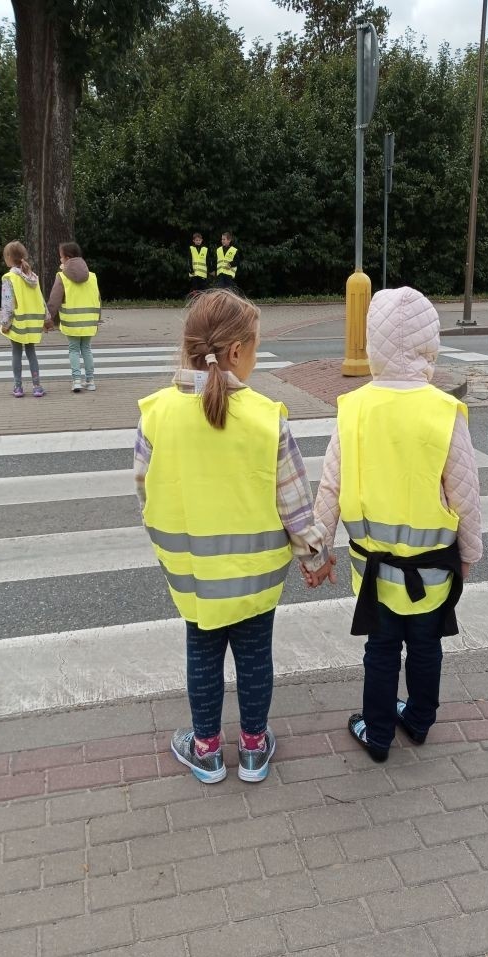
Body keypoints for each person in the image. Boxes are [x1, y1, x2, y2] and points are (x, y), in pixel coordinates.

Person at [133, 288, 332, 784]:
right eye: (257, 348)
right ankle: (252, 747)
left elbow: (145, 491)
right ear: (238, 352)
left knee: (201, 654)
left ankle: (205, 749)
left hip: (195, 575)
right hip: (256, 579)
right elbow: (295, 506)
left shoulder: (156, 413)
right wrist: (315, 559)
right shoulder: (266, 418)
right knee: (255, 658)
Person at [305, 286, 482, 761]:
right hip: (433, 572)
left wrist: (317, 553)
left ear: (370, 345)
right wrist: (469, 554)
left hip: (374, 575)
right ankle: (420, 721)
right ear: (431, 345)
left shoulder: (355, 409)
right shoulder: (445, 412)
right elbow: (465, 495)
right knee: (427, 649)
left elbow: (330, 490)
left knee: (381, 652)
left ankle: (378, 732)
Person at [47, 241, 101, 392]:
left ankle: (76, 380)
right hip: (89, 321)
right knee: (87, 349)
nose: (60, 260)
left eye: (61, 257)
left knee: (74, 349)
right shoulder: (92, 276)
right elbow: (98, 299)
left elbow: (54, 300)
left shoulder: (62, 276)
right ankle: (90, 381)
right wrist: (97, 319)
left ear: (68, 258)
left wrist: (48, 319)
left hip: (71, 322)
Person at [0, 241, 47, 398]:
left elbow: (8, 304)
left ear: (8, 257)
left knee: (16, 354)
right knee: (31, 352)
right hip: (33, 323)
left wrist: (5, 324)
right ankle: (37, 386)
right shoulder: (33, 277)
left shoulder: (9, 277)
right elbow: (41, 299)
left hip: (17, 323)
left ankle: (18, 387)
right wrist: (46, 318)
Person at [188, 232, 209, 296]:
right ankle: (195, 302)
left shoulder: (205, 249)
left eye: (199, 240)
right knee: (195, 289)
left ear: (201, 240)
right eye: (196, 240)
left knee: (203, 289)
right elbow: (189, 259)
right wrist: (190, 269)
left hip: (203, 273)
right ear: (193, 241)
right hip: (194, 273)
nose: (198, 241)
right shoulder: (191, 248)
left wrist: (209, 270)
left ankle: (203, 302)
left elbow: (207, 261)